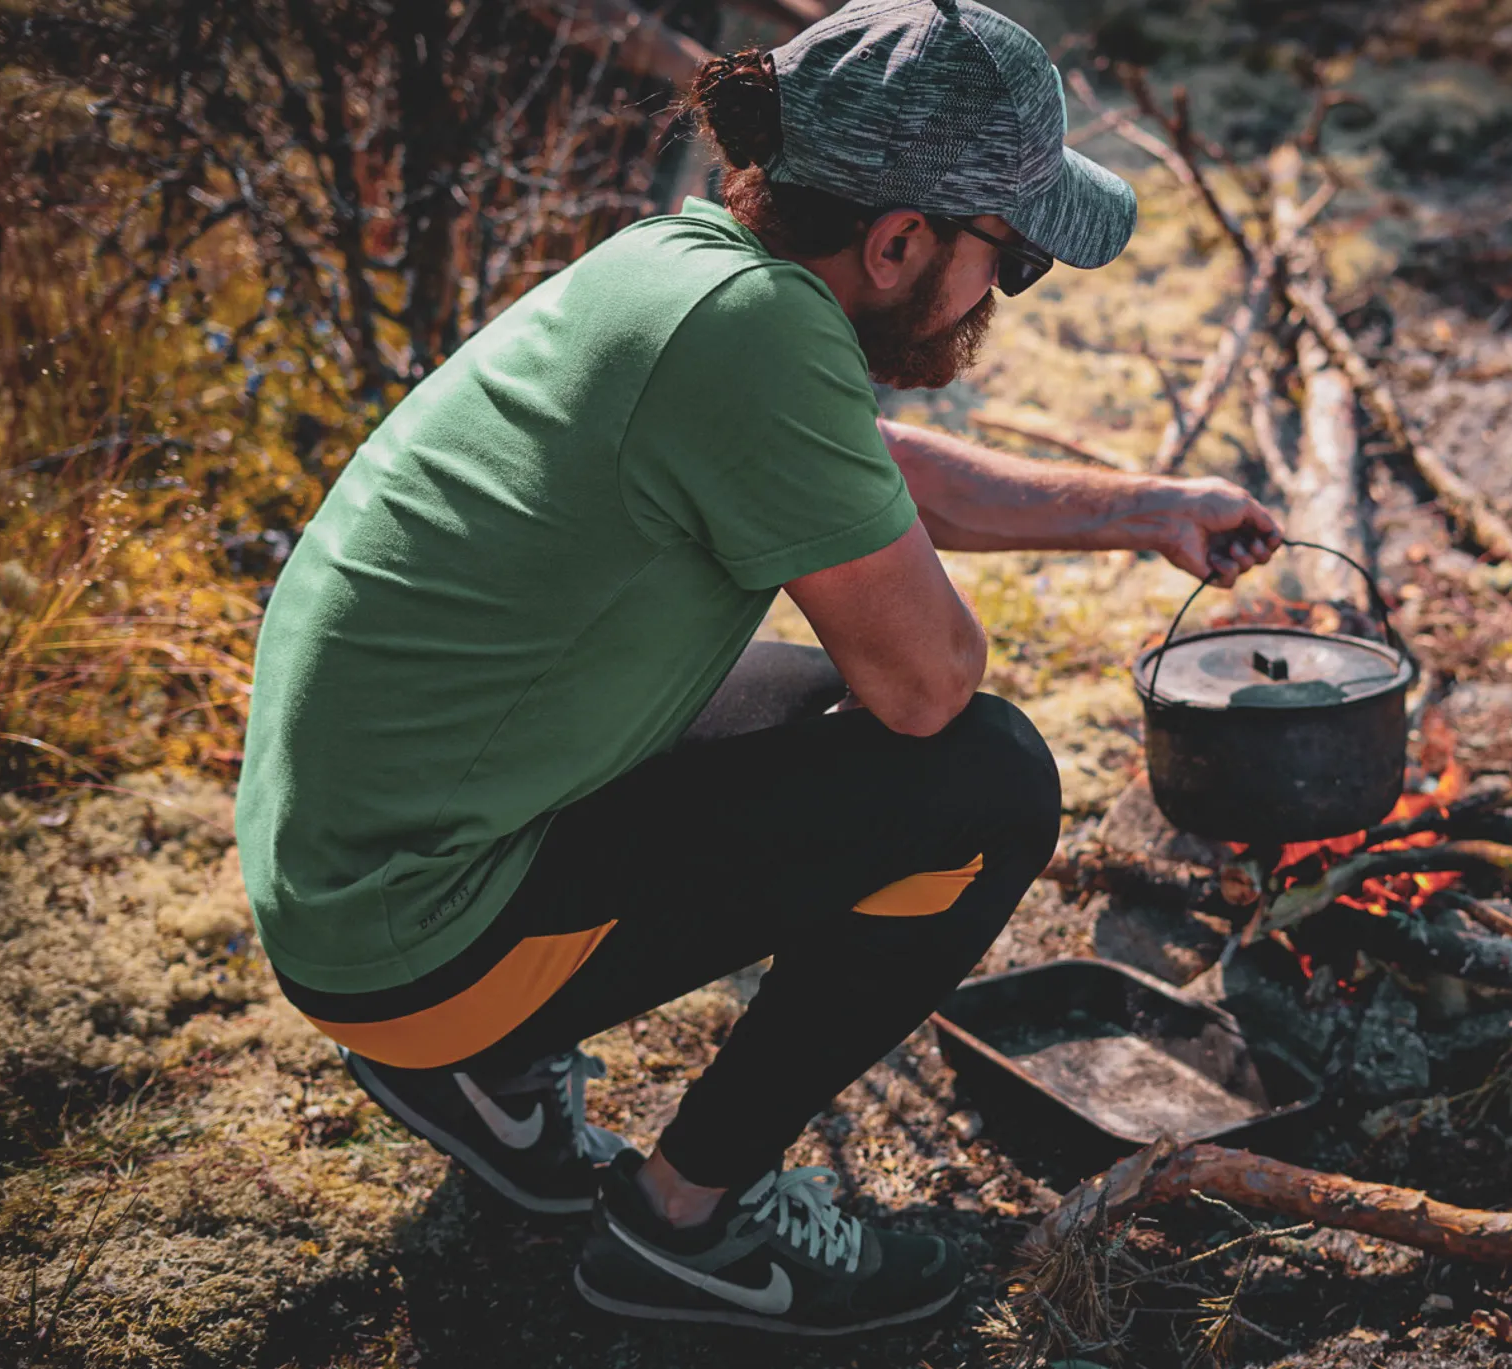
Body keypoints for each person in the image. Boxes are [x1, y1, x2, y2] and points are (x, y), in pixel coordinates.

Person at [234, 0, 1281, 1337]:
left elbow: (854, 473)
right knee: (985, 780)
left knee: (806, 697)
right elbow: (927, 683)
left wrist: (1136, 509)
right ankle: (689, 1224)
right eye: (1010, 263)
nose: (1000, 304)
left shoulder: (686, 265)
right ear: (901, 241)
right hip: (411, 936)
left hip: (353, 858)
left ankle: (487, 1077)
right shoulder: (757, 339)